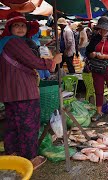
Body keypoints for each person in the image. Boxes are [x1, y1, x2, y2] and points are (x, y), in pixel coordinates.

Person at [0, 12, 62, 168]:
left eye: (23, 25)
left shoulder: (5, 42)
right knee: (28, 126)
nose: (20, 28)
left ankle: (12, 154)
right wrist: (54, 60)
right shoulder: (14, 42)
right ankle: (30, 159)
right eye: (16, 25)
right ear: (10, 28)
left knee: (13, 125)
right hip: (24, 91)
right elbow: (34, 61)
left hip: (10, 92)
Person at [86, 16, 108, 122]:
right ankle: (99, 112)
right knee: (98, 91)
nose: (103, 30)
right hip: (96, 69)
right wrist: (92, 54)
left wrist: (105, 56)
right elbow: (87, 52)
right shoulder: (95, 38)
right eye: (101, 28)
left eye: (105, 28)